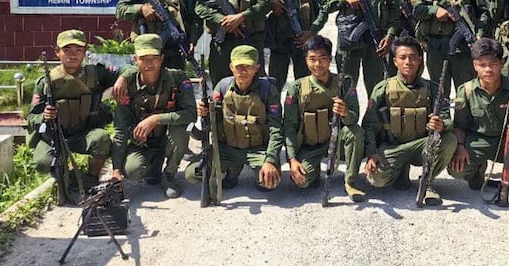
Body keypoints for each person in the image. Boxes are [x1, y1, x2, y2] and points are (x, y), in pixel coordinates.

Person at [447, 38, 509, 207]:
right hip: (480, 142)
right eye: (482, 65)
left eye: (493, 63)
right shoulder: (467, 90)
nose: (488, 69)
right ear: (474, 65)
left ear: (502, 63)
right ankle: (477, 171)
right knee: (456, 169)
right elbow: (460, 126)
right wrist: (460, 147)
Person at [363, 36, 457, 206]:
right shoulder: (383, 88)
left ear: (420, 60)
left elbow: (448, 119)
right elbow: (369, 125)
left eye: (413, 57)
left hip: (421, 146)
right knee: (377, 180)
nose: (408, 62)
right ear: (395, 61)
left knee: (449, 140)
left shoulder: (433, 88)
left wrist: (441, 125)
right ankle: (399, 171)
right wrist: (371, 153)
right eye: (403, 57)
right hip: (392, 147)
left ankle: (427, 183)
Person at [27, 29, 119, 187]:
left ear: (85, 51)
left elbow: (128, 71)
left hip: (84, 134)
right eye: (67, 50)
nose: (73, 55)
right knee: (42, 163)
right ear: (57, 52)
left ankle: (91, 178)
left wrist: (122, 79)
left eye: (78, 50)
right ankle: (67, 177)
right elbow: (31, 118)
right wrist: (44, 116)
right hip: (56, 136)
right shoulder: (46, 82)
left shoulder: (97, 74)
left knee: (102, 139)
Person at [186, 45, 283, 193]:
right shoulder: (223, 87)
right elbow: (213, 121)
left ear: (256, 67)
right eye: (239, 66)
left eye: (248, 66)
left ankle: (254, 172)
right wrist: (204, 113)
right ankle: (232, 169)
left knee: (269, 182)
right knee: (194, 173)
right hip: (227, 149)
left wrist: (270, 160)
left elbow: (276, 130)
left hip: (258, 150)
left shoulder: (268, 90)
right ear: (231, 67)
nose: (243, 71)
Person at [282, 35, 366, 201]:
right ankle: (313, 174)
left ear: (330, 59)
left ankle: (351, 181)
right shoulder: (297, 88)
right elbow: (290, 126)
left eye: (322, 59)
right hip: (309, 145)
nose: (318, 65)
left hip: (338, 141)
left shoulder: (345, 83)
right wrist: (292, 160)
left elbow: (354, 119)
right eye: (312, 59)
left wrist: (345, 112)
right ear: (305, 60)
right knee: (302, 182)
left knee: (355, 132)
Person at [111, 34, 195, 198]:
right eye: (143, 58)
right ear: (135, 59)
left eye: (154, 58)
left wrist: (156, 119)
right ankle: (154, 166)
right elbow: (121, 129)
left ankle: (169, 176)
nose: (149, 64)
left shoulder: (177, 79)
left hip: (168, 137)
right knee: (132, 171)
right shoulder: (127, 85)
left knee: (180, 130)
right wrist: (115, 170)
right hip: (142, 142)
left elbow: (191, 114)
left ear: (162, 58)